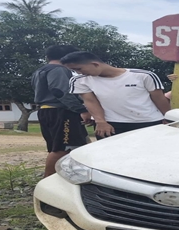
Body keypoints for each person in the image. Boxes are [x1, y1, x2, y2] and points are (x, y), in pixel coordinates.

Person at [60, 51, 170, 140]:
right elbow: (90, 101)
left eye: (79, 69)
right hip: (110, 125)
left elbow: (159, 99)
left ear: (95, 64)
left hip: (148, 123)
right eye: (73, 70)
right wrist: (101, 121)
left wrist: (169, 118)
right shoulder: (79, 80)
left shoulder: (143, 76)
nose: (78, 73)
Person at [31, 45, 91, 177]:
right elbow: (61, 92)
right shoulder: (58, 70)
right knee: (62, 149)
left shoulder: (39, 71)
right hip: (60, 112)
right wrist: (81, 109)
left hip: (46, 111)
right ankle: (48, 182)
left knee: (79, 144)